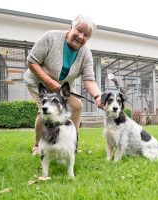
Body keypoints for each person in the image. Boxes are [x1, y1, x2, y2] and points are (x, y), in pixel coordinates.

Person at [24, 15, 103, 155]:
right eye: (79, 30)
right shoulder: (51, 37)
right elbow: (32, 61)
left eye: (86, 35)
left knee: (77, 106)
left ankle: (71, 142)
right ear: (70, 27)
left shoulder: (86, 54)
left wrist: (97, 96)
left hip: (60, 87)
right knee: (46, 112)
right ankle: (38, 145)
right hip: (38, 83)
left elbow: (89, 79)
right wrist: (49, 82)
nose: (81, 36)